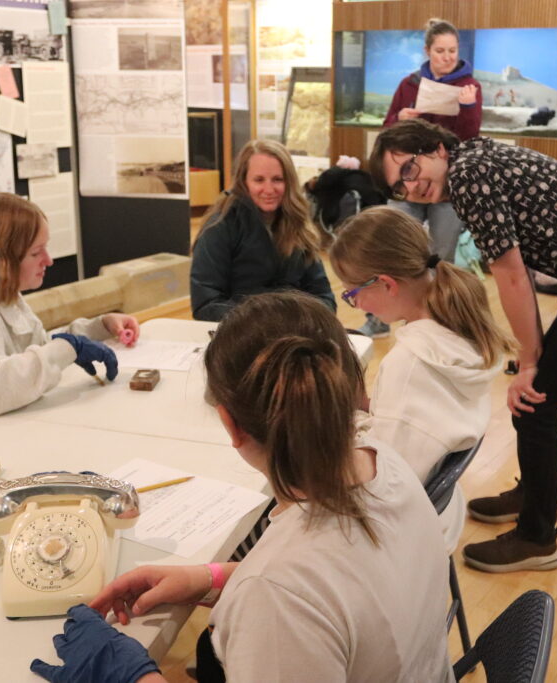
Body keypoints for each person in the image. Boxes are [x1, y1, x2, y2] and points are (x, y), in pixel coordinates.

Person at [31, 292, 453, 682]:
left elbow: (298, 591)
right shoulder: (384, 460)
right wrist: (209, 579)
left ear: (230, 424)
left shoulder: (277, 596)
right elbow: (341, 591)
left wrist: (131, 677)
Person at [369, 119, 557, 573]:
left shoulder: (468, 175)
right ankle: (531, 495)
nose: (411, 188)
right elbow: (517, 267)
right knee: (534, 403)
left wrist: (528, 361)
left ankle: (538, 538)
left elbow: (509, 274)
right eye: (399, 187)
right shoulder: (475, 160)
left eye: (409, 170)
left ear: (435, 148)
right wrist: (529, 355)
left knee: (535, 405)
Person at [329, 205, 511, 551]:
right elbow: (420, 427)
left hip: (405, 533)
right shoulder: (459, 332)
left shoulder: (410, 363)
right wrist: (367, 406)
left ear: (386, 284)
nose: (357, 305)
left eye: (352, 294)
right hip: (440, 510)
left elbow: (384, 482)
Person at [0, 193, 139, 441]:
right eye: (36, 253)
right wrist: (68, 348)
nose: (48, 261)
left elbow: (38, 347)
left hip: (6, 430)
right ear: (1, 259)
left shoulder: (5, 296)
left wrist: (99, 327)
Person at [360, 18, 481, 339]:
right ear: (427, 51)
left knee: (442, 258)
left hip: (447, 187)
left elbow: (469, 139)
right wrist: (398, 118)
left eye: (452, 50)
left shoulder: (470, 86)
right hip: (407, 185)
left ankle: (439, 321)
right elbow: (388, 134)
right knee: (389, 245)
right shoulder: (409, 84)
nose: (447, 57)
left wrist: (468, 107)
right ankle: (378, 319)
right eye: (440, 50)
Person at [190, 140, 335, 322]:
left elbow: (324, 297)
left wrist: (305, 320)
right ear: (244, 181)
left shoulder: (299, 225)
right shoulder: (219, 227)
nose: (269, 189)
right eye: (259, 180)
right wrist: (267, 321)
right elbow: (205, 304)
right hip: (241, 331)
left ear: (289, 182)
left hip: (295, 329)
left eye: (277, 179)